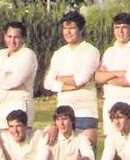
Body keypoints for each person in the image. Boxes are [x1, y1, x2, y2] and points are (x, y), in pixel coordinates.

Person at [43, 11, 100, 146]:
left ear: (81, 29)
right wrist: (66, 86)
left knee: (87, 159)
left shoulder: (91, 51)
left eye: (72, 28)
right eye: (65, 28)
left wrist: (58, 78)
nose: (68, 32)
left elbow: (81, 79)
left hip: (86, 111)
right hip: (63, 111)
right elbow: (47, 82)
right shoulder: (59, 53)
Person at [95, 13, 130, 136]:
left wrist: (107, 77)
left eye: (124, 27)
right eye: (117, 27)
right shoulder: (109, 52)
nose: (120, 31)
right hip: (110, 101)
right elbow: (97, 78)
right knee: (112, 146)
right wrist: (119, 73)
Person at [0, 21, 38, 130]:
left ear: (23, 38)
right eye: (9, 36)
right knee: (2, 143)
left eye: (16, 37)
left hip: (20, 105)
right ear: (4, 37)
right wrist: (5, 74)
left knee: (20, 144)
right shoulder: (0, 54)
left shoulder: (28, 54)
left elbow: (14, 82)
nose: (12, 41)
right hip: (3, 106)